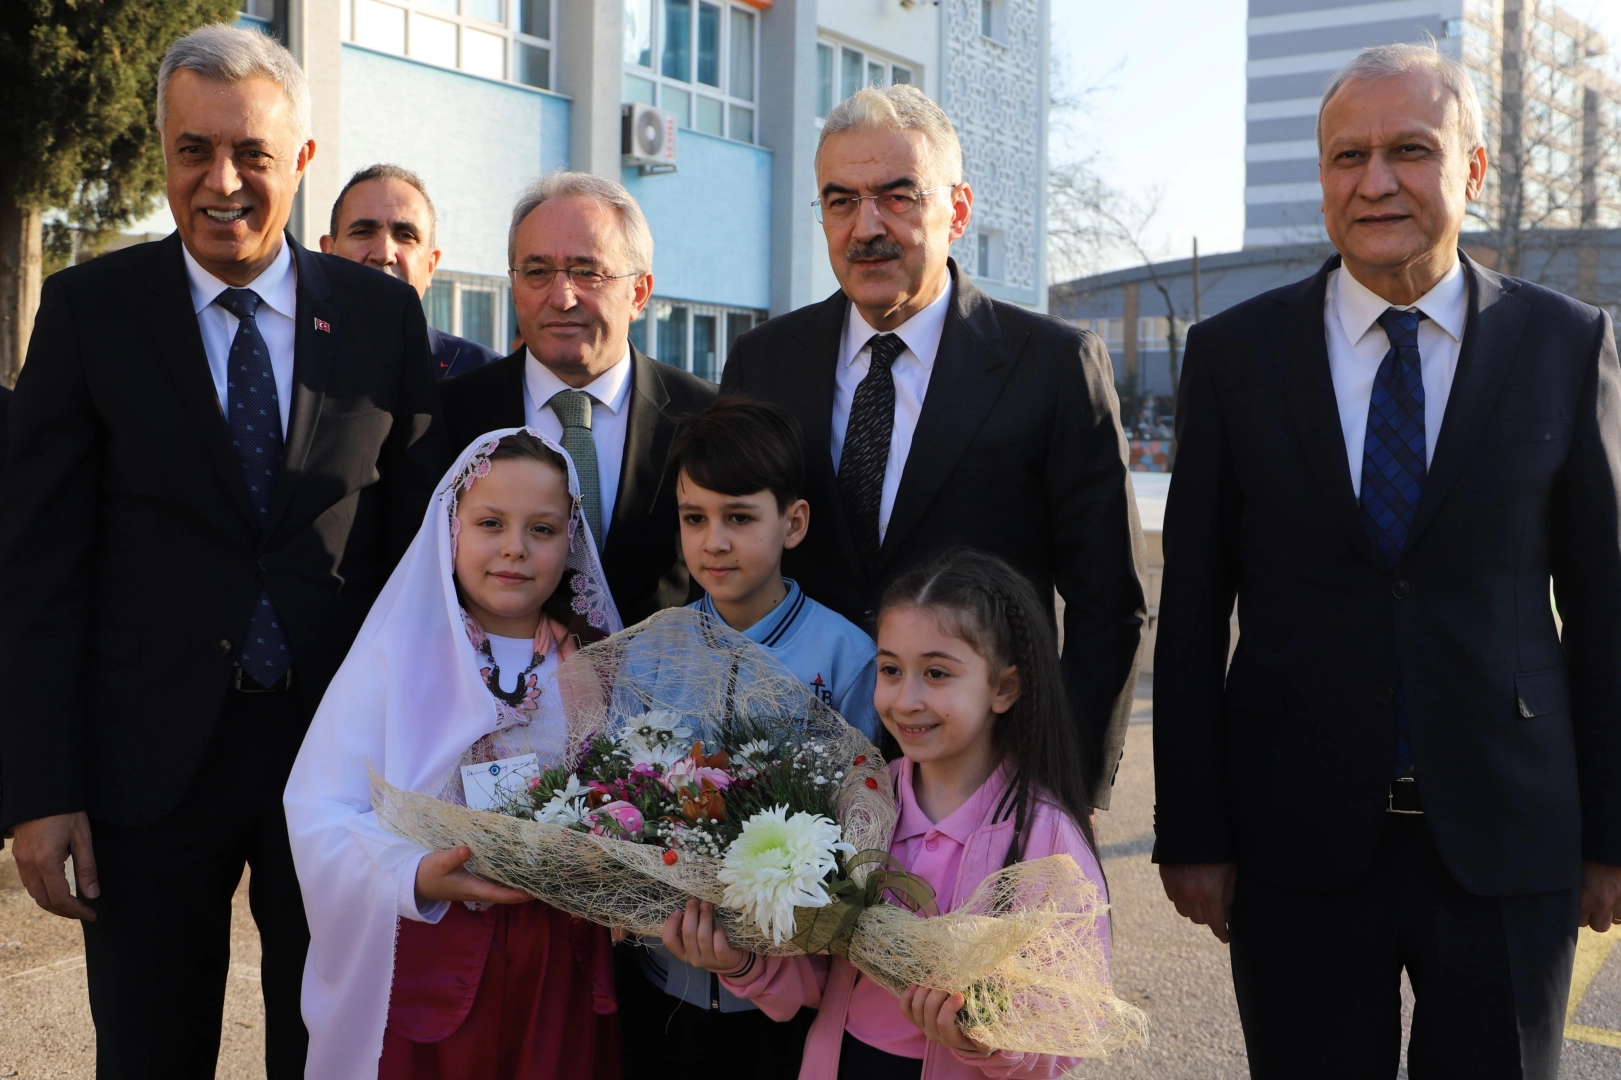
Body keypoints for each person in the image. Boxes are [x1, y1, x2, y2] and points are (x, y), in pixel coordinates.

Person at [1152, 43, 1621, 1079]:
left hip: (1507, 843)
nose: (1373, 182)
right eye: (1344, 156)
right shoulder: (1235, 357)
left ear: (1472, 168)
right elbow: (1190, 608)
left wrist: (1611, 836)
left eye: (1408, 150)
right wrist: (1190, 828)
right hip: (1295, 844)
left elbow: (1603, 609)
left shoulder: (1566, 342)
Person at [0, 24, 444, 1080]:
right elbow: (37, 567)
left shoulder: (382, 319)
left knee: (333, 1049)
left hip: (342, 764)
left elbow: (417, 560)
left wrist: (432, 762)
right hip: (143, 768)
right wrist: (37, 786)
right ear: (164, 155)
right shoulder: (87, 311)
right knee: (149, 1052)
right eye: (193, 150)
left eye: (250, 152)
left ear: (300, 161)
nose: (221, 180)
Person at [719, 85, 1144, 811]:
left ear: (959, 209)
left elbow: (1108, 602)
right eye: (840, 200)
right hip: (787, 786)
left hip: (986, 786)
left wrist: (1056, 785)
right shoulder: (763, 363)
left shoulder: (1050, 365)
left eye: (897, 196)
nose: (866, 227)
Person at [664, 549, 1109, 1080]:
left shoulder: (1046, 839)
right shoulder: (857, 804)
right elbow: (817, 971)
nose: (906, 699)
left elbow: (1065, 1033)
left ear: (1004, 687)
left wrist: (982, 1036)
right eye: (891, 670)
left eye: (937, 673)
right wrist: (741, 963)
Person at [285, 429, 622, 1080]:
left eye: (543, 530)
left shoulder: (592, 669)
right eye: (490, 523)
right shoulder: (396, 662)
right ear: (450, 529)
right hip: (427, 958)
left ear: (571, 540)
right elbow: (319, 810)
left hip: (560, 965)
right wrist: (412, 875)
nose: (514, 550)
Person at [621, 396, 878, 1080]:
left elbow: (866, 826)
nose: (714, 541)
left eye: (739, 517)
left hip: (787, 999)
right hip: (659, 979)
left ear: (792, 522)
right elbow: (614, 801)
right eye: (693, 518)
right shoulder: (649, 654)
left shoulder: (847, 655)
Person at [441, 171, 717, 625]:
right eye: (537, 272)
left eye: (587, 272)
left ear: (639, 293)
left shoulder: (705, 417)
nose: (561, 296)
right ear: (514, 285)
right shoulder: (447, 416)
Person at [320, 163, 501, 379]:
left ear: (431, 266)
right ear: (327, 255)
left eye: (405, 235)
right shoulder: (288, 364)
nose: (385, 253)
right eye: (363, 232)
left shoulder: (488, 377)